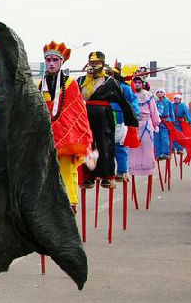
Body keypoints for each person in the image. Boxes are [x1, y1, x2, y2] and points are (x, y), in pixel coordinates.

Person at [38, 41, 93, 208]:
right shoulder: (40, 84)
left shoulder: (70, 83)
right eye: (49, 60)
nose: (52, 63)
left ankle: (69, 203)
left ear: (62, 62)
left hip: (66, 135)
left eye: (55, 60)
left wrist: (63, 132)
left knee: (66, 169)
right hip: (46, 136)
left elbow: (75, 112)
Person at [77, 52, 138, 189]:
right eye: (91, 63)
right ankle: (89, 177)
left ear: (103, 64)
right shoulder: (80, 81)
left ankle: (106, 176)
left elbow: (123, 101)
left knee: (105, 144)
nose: (93, 66)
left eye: (97, 63)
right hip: (85, 117)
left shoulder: (110, 82)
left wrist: (132, 120)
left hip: (104, 116)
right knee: (88, 146)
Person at [127, 75, 161, 179]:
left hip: (146, 123)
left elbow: (153, 110)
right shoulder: (129, 94)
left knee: (147, 146)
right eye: (135, 83)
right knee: (133, 147)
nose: (137, 85)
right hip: (133, 124)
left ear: (143, 84)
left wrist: (156, 124)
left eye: (139, 83)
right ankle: (133, 168)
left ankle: (148, 168)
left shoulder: (148, 95)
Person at [110, 67, 140, 182]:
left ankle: (122, 171)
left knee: (119, 146)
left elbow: (133, 101)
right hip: (103, 118)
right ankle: (107, 173)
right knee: (105, 147)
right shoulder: (102, 86)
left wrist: (134, 116)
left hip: (120, 118)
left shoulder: (125, 88)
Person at [153, 89, 173, 159]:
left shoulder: (168, 102)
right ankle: (158, 154)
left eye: (161, 92)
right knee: (156, 139)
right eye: (157, 92)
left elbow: (171, 112)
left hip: (165, 122)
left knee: (165, 138)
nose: (159, 93)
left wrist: (172, 121)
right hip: (157, 122)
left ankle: (165, 153)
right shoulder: (154, 102)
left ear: (164, 93)